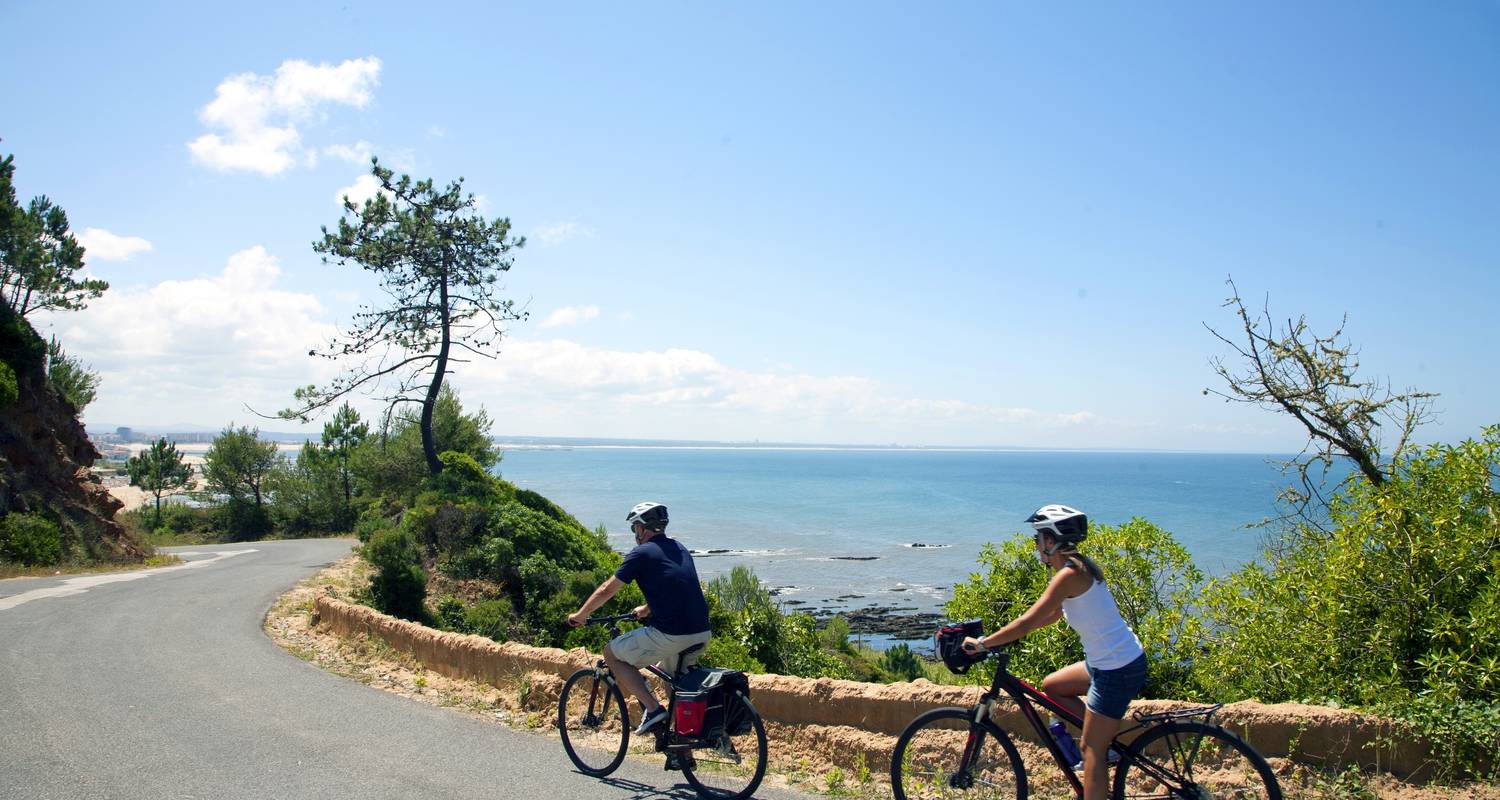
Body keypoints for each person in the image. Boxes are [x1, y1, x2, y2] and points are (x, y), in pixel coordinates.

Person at [961, 504, 1147, 800]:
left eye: (1038, 540)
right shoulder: (1076, 567)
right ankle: (1102, 738)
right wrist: (1010, 636)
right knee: (1053, 686)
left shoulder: (1068, 575)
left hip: (1116, 669)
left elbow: (1027, 621)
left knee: (1090, 752)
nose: (1036, 546)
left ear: (1051, 541)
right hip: (1109, 662)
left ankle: (1099, 748)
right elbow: (1053, 615)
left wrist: (984, 643)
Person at [568, 501, 712, 736]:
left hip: (671, 634)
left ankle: (654, 710)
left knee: (611, 654)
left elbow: (607, 589)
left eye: (634, 527)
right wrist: (646, 608)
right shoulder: (679, 548)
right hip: (701, 632)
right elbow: (678, 585)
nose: (634, 533)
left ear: (643, 529)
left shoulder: (641, 553)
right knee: (672, 680)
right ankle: (681, 744)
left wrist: (581, 615)